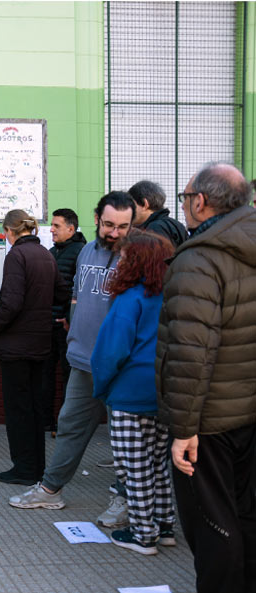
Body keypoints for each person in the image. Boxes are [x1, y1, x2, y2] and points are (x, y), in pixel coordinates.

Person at [9, 191, 135, 529]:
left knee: (125, 440)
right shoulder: (87, 252)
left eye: (123, 226)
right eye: (109, 224)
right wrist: (72, 333)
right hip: (83, 359)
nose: (114, 232)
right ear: (97, 220)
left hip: (121, 366)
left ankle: (126, 499)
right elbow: (78, 297)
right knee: (70, 424)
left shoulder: (138, 256)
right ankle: (51, 489)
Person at [157, 163, 256, 591]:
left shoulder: (199, 259)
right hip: (249, 410)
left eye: (184, 197)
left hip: (210, 419)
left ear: (199, 201)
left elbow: (190, 353)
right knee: (247, 513)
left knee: (212, 523)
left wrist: (184, 429)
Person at [90, 230, 176, 555]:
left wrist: (102, 387)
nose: (119, 261)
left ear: (135, 261)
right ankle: (165, 525)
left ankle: (143, 534)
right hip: (162, 390)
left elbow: (110, 352)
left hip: (129, 393)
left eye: (124, 256)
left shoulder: (129, 299)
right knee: (157, 464)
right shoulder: (171, 294)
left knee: (133, 467)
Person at [0, 210, 66, 485]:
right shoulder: (46, 254)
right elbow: (61, 293)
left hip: (16, 346)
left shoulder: (16, 256)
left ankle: (23, 468)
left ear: (9, 230)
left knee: (18, 409)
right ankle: (37, 467)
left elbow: (11, 302)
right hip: (40, 342)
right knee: (33, 407)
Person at [42, 209, 87, 435]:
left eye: (56, 226)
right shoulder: (52, 252)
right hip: (49, 325)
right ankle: (47, 421)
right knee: (46, 374)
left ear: (71, 229)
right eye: (51, 225)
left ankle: (66, 424)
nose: (51, 229)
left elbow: (81, 291)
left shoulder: (81, 252)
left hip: (68, 326)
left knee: (69, 376)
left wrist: (69, 317)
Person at [128, 180, 187, 248]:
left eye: (131, 205)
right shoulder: (176, 224)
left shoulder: (154, 229)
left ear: (145, 204)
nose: (129, 210)